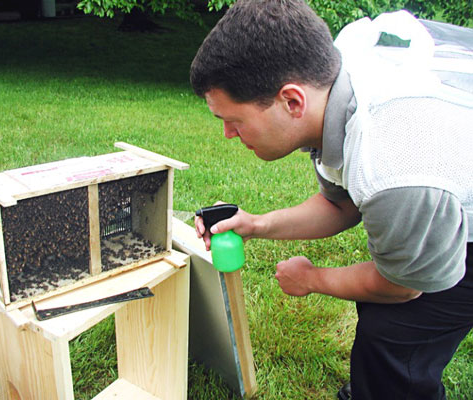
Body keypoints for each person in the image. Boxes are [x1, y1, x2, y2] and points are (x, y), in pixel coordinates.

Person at [190, 1, 473, 399]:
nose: (228, 135)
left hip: (445, 191)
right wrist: (256, 224)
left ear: (292, 102)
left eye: (234, 120)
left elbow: (404, 286)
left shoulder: (391, 164)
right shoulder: (331, 85)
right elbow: (341, 205)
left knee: (394, 329)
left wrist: (311, 279)